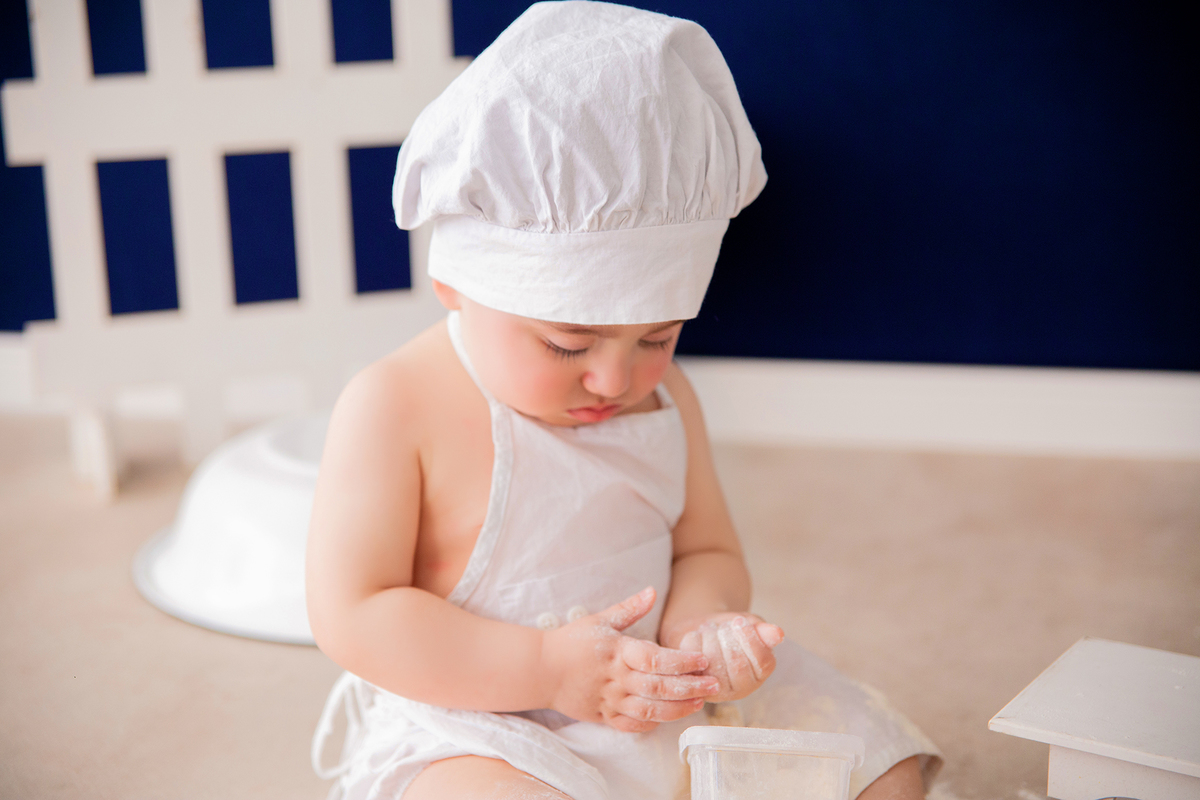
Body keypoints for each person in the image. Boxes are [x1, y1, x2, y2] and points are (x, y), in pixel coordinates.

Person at [306, 3, 941, 798]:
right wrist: (544, 668)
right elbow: (355, 611)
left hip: (660, 686)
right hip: (487, 716)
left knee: (883, 769)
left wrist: (705, 630)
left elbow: (705, 550)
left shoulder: (667, 399)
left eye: (658, 337)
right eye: (567, 344)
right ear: (455, 284)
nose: (616, 380)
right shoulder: (395, 403)